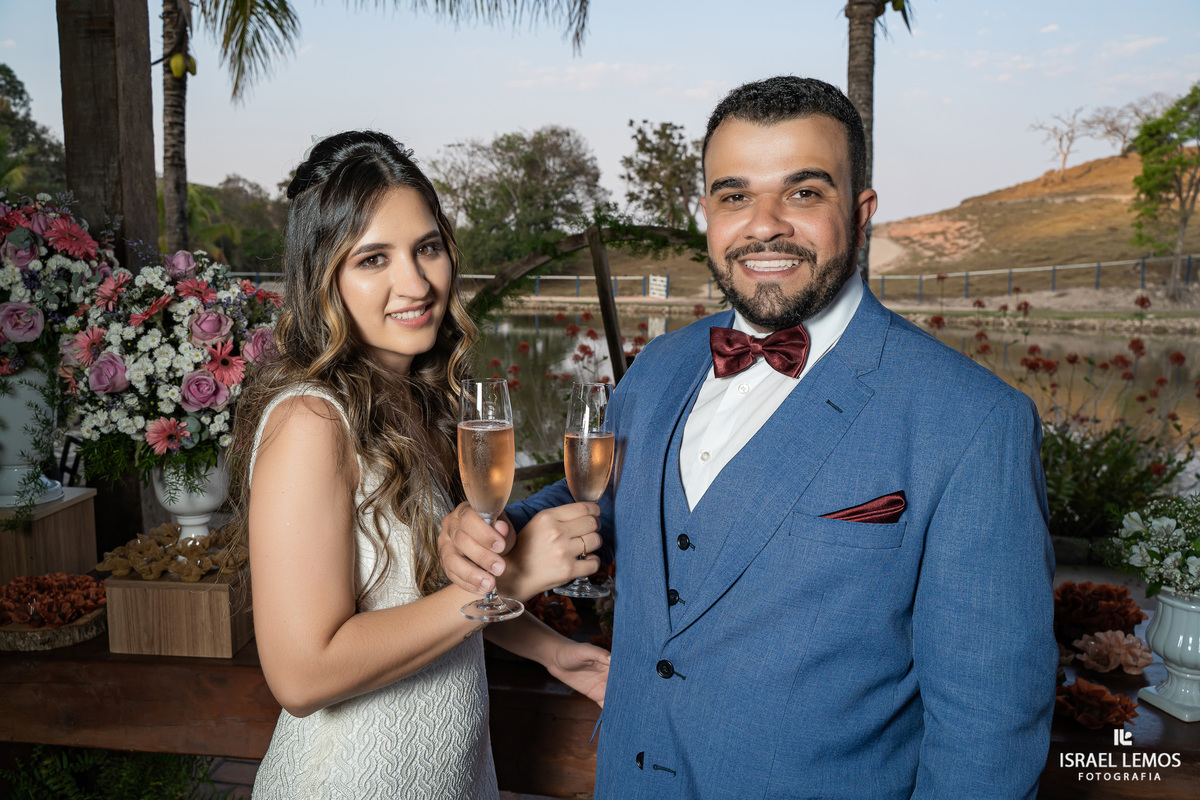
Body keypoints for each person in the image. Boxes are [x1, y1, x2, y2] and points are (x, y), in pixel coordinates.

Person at [440, 77, 1057, 799]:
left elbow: (988, 735)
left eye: (803, 193)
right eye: (734, 196)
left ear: (860, 213)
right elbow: (603, 497)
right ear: (706, 213)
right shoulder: (660, 368)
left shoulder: (973, 422)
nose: (764, 225)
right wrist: (495, 527)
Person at [229, 130, 609, 800]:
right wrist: (506, 580)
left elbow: (425, 602)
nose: (416, 282)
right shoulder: (312, 422)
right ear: (324, 278)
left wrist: (556, 652)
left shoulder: (416, 404)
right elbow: (300, 674)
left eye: (427, 247)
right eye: (373, 258)